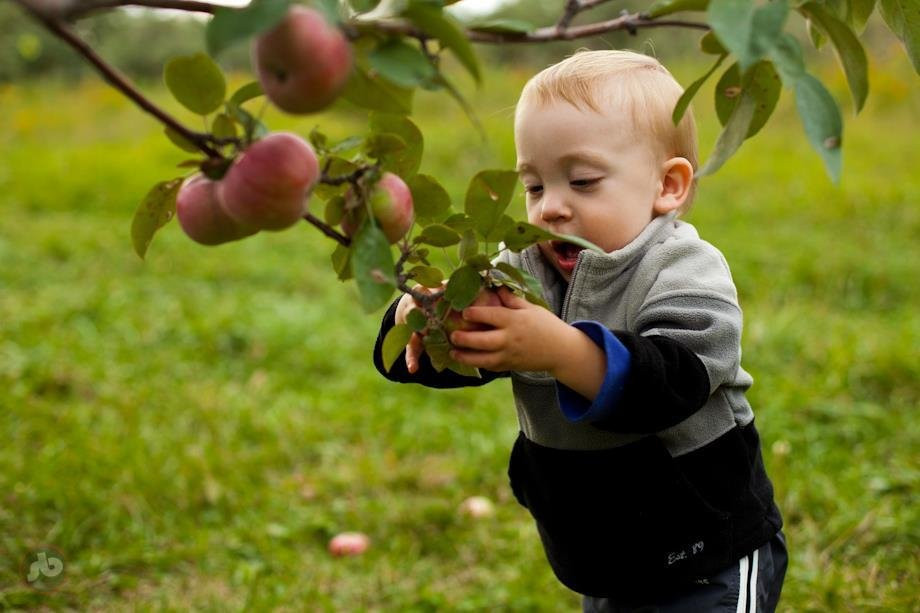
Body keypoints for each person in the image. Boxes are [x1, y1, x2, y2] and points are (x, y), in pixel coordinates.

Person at [373, 49, 787, 612]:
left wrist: (563, 351)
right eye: (535, 187)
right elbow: (458, 357)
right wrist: (424, 321)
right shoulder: (521, 269)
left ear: (667, 186)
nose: (551, 209)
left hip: (705, 547)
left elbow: (677, 381)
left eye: (583, 181)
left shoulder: (682, 268)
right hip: (598, 550)